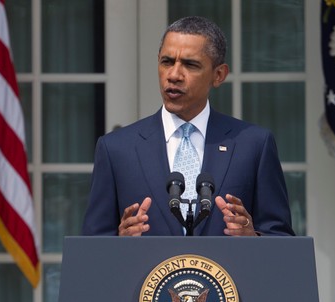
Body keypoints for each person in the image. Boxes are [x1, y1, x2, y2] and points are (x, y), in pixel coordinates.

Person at [82, 16, 294, 237]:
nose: (173, 75)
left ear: (218, 74)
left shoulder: (254, 145)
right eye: (166, 62)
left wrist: (254, 238)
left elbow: (281, 239)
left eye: (190, 65)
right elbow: (91, 247)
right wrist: (118, 242)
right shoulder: (115, 149)